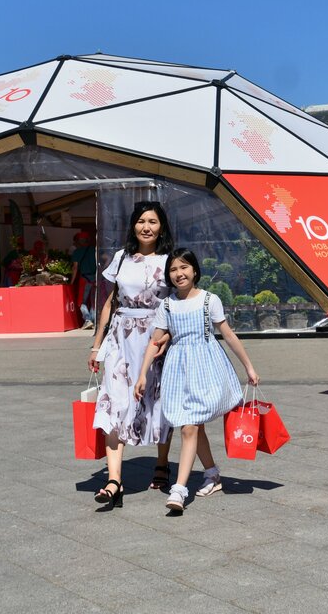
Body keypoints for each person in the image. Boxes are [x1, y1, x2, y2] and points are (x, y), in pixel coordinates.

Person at [135, 248, 259, 514]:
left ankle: (179, 490)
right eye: (173, 270)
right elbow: (155, 342)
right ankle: (212, 474)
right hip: (179, 370)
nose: (179, 274)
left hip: (206, 367)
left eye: (184, 268)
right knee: (194, 426)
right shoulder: (167, 305)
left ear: (194, 270)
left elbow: (228, 334)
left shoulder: (209, 300)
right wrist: (143, 373)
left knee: (189, 427)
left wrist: (248, 367)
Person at [87, 201, 175, 508]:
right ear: (133, 225)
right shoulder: (121, 258)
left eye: (152, 221)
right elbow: (110, 302)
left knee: (158, 400)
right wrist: (96, 345)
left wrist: (169, 336)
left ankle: (162, 463)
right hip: (120, 338)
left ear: (161, 226)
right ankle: (114, 480)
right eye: (141, 221)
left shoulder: (169, 261)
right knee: (114, 401)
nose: (146, 227)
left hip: (155, 337)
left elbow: (176, 302)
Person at [70, 230, 98, 329]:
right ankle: (94, 321)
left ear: (80, 241)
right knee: (94, 301)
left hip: (84, 279)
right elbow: (105, 259)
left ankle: (87, 319)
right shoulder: (95, 250)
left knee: (82, 301)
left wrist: (72, 282)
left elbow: (75, 268)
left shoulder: (77, 252)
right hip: (96, 279)